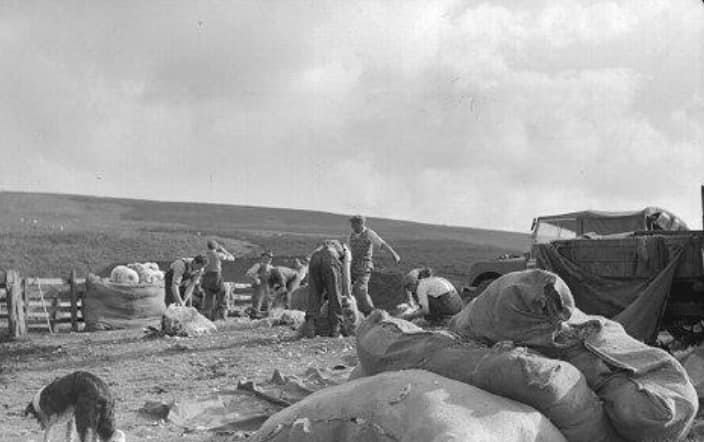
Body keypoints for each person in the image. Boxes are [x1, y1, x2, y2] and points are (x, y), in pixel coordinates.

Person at [348, 215, 401, 315]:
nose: (352, 226)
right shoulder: (352, 235)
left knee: (359, 290)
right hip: (352, 267)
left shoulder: (369, 233)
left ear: (361, 224)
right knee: (348, 289)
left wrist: (394, 254)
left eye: (354, 224)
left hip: (364, 267)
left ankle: (371, 313)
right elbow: (349, 251)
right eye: (352, 224)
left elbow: (382, 244)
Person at [300, 239, 352, 338]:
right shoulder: (346, 252)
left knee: (314, 294)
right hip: (331, 259)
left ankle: (310, 327)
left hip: (314, 259)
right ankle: (336, 328)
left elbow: (313, 284)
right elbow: (346, 276)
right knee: (334, 294)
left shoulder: (323, 246)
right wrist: (348, 295)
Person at [398, 276, 463, 322]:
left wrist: (410, 316)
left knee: (424, 307)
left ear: (412, 284)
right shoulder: (426, 281)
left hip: (450, 305)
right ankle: (441, 317)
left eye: (408, 287)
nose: (408, 290)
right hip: (458, 304)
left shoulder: (420, 288)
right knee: (424, 303)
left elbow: (425, 310)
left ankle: (436, 320)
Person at [201, 239, 235, 320]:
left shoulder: (204, 255)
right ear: (216, 247)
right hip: (216, 276)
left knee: (208, 297)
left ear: (207, 247)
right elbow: (232, 258)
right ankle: (221, 315)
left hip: (206, 276)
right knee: (222, 294)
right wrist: (223, 250)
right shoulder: (219, 255)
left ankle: (207, 316)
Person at [245, 251, 275, 318]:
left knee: (267, 306)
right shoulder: (258, 265)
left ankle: (265, 319)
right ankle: (254, 319)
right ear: (262, 257)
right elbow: (248, 274)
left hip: (268, 289)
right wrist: (256, 279)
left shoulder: (272, 268)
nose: (269, 259)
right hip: (259, 288)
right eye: (267, 257)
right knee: (257, 305)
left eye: (270, 257)